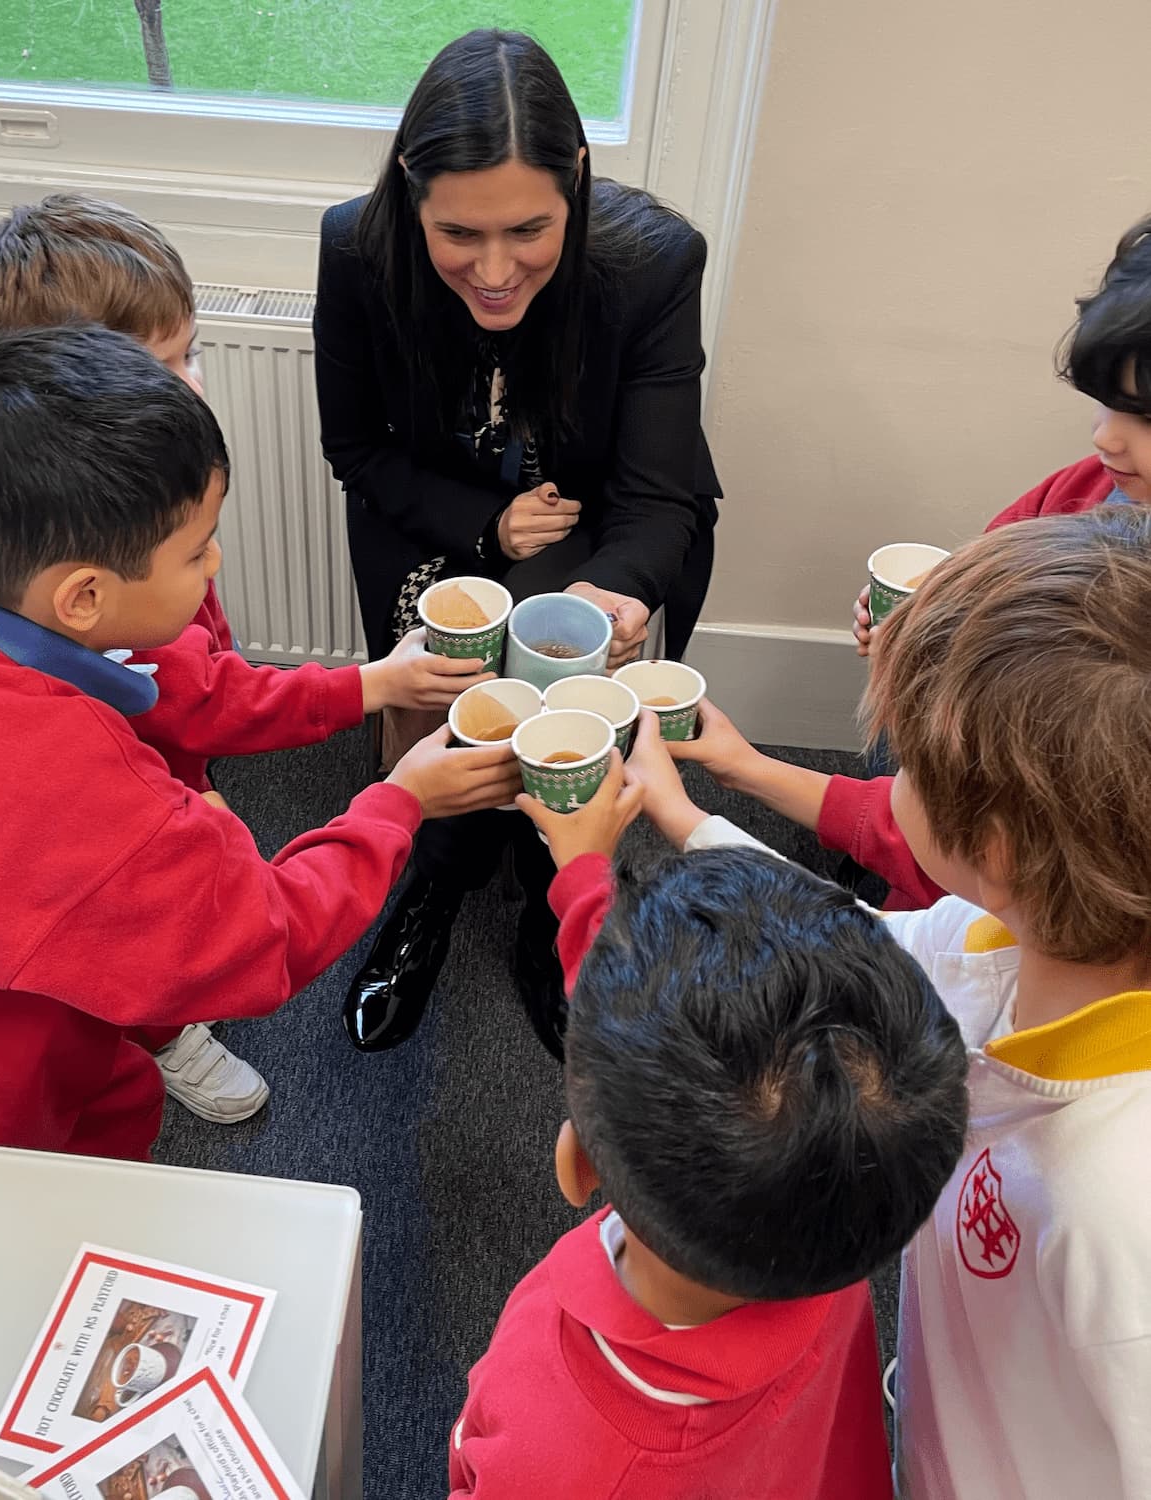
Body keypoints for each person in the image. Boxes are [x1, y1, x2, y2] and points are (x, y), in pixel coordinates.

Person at [0, 325, 519, 1160]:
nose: (214, 563)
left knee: (122, 1093)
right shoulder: (86, 800)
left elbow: (187, 706)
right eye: (194, 552)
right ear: (84, 597)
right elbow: (268, 940)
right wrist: (400, 801)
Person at [630, 506, 1151, 1499]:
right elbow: (846, 940)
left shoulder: (1117, 1214)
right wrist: (688, 820)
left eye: (906, 760)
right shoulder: (994, 938)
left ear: (993, 851)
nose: (892, 771)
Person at [0, 192, 494, 1119]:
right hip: (130, 801)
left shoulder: (84, 547)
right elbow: (266, 923)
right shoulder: (116, 630)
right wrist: (392, 762)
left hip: (161, 766)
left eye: (189, 354)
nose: (192, 386)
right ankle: (167, 1033)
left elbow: (200, 685)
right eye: (163, 368)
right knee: (148, 941)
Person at [314, 29, 721, 1055]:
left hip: (599, 529)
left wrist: (608, 595)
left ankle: (551, 900)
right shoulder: (357, 249)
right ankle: (436, 880)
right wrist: (484, 527)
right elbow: (358, 450)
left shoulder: (653, 262)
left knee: (563, 697)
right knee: (454, 689)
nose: (495, 272)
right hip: (433, 517)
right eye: (458, 233)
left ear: (576, 180)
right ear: (411, 192)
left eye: (530, 230)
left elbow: (658, 496)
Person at [444, 758, 968, 1498]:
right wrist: (584, 872)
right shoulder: (829, 1206)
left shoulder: (557, 1451)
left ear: (578, 1163)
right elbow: (653, 1039)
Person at [702, 212, 1151, 910]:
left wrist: (735, 782)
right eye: (1103, 404)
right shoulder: (1086, 490)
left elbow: (963, 860)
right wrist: (924, 622)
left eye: (1143, 418)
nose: (1104, 438)